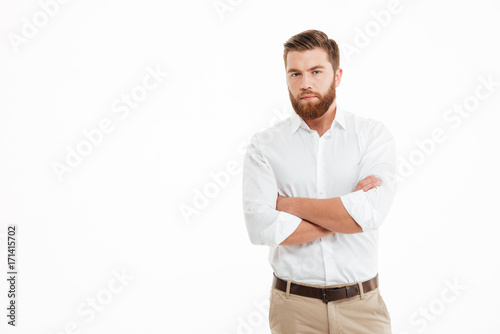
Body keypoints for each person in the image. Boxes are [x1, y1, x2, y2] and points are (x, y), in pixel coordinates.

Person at [241, 29, 397, 333]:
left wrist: (288, 205)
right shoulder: (264, 146)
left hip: (362, 308)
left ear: (337, 76)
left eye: (316, 71)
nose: (305, 83)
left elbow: (370, 213)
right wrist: (345, 213)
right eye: (295, 74)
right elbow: (261, 227)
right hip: (293, 310)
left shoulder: (371, 136)